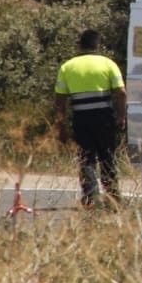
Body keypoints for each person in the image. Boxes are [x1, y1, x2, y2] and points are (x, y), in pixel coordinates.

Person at [55, 29, 127, 207]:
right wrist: (121, 116)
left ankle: (91, 197)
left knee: (86, 158)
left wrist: (61, 126)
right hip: (104, 118)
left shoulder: (67, 67)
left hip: (81, 118)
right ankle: (113, 197)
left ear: (79, 45)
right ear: (97, 45)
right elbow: (121, 93)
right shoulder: (108, 64)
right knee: (107, 157)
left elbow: (60, 100)